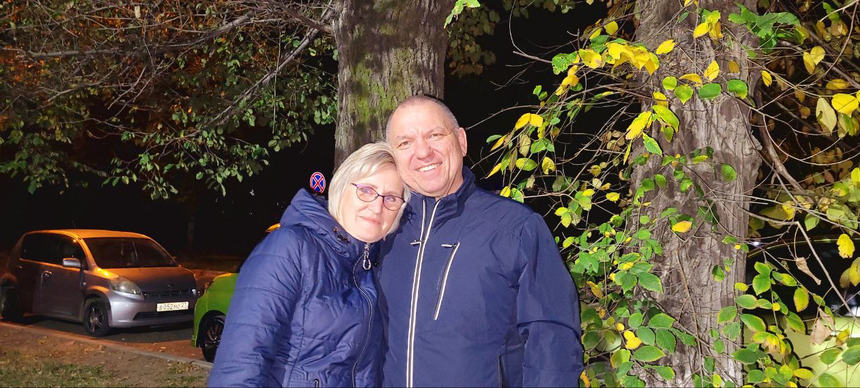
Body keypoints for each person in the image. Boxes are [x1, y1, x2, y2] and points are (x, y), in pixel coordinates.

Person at [376, 96, 584, 387]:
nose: (423, 151)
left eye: (435, 135)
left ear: (461, 141)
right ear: (393, 156)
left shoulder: (515, 228)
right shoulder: (382, 233)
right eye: (405, 143)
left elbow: (552, 340)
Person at [208, 142, 410, 387]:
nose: (377, 206)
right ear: (340, 187)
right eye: (366, 190)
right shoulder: (291, 247)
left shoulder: (374, 266)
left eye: (391, 198)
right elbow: (240, 364)